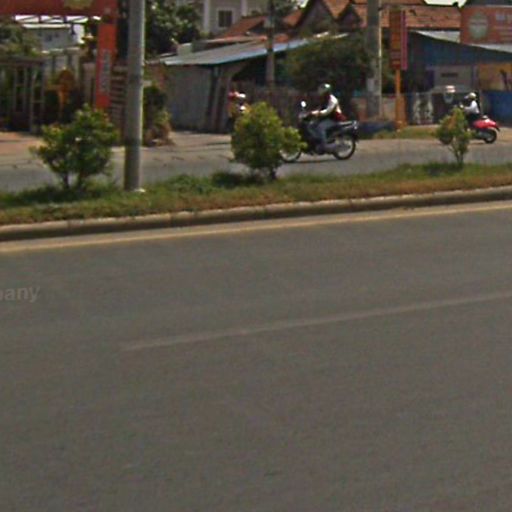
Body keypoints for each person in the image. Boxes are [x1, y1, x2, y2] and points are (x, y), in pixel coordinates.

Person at [311, 83, 344, 152]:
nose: (320, 92)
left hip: (334, 119)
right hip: (326, 117)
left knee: (320, 127)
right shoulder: (324, 98)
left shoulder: (333, 100)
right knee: (312, 125)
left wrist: (318, 113)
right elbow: (320, 107)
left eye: (322, 90)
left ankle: (324, 145)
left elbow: (327, 111)